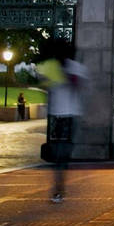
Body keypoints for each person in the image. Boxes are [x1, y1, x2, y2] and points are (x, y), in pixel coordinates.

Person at [39, 39, 87, 203]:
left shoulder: (73, 67)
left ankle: (59, 187)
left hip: (66, 115)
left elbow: (79, 85)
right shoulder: (53, 67)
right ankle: (58, 187)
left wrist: (63, 75)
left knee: (62, 154)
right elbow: (44, 82)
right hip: (61, 116)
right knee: (60, 154)